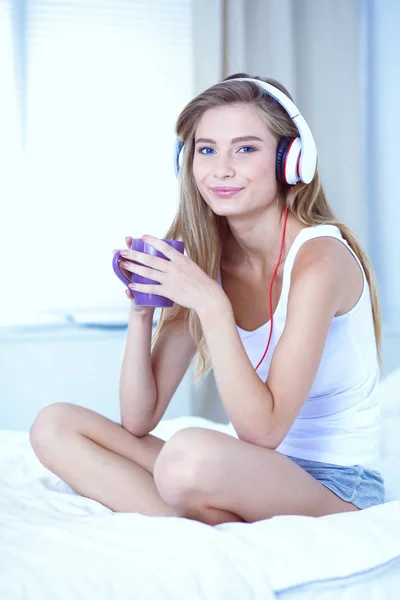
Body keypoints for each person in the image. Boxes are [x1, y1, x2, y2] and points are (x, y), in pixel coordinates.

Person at [30, 73, 385, 524]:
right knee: (54, 424)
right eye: (206, 149)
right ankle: (203, 526)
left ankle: (200, 514)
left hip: (336, 487)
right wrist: (142, 313)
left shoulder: (320, 259)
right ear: (187, 161)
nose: (221, 169)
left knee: (188, 456)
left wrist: (212, 304)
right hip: (249, 473)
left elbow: (263, 432)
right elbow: (139, 419)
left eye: (246, 148)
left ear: (290, 161)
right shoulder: (208, 260)